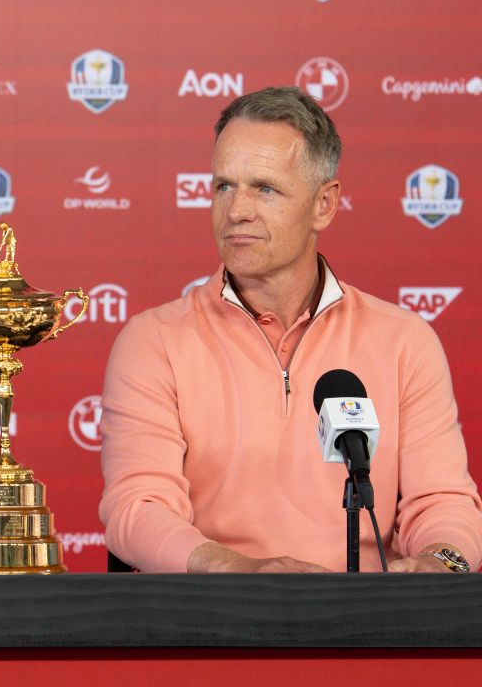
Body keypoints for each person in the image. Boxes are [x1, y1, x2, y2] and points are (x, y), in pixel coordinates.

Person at [99, 86, 482, 573]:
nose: (236, 210)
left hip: (367, 616)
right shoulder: (155, 341)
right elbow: (137, 507)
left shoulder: (405, 341)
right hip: (216, 611)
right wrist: (241, 571)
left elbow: (444, 503)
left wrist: (439, 563)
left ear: (324, 204)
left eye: (265, 188)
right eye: (224, 186)